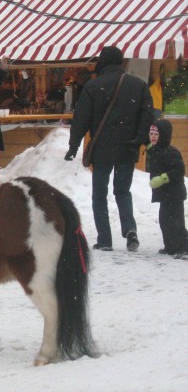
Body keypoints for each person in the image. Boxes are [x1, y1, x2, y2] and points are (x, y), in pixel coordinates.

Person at [64, 46, 154, 252]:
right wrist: (139, 139)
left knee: (99, 194)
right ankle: (130, 230)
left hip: (102, 147)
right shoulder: (138, 85)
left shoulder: (93, 86)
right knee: (123, 191)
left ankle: (104, 239)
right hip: (127, 148)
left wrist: (73, 145)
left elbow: (81, 119)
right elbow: (147, 115)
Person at [147, 119, 188, 260]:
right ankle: (170, 246)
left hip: (174, 195)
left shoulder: (171, 152)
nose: (153, 136)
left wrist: (163, 178)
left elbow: (179, 170)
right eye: (151, 133)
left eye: (156, 134)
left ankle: (183, 248)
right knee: (164, 221)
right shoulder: (155, 150)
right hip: (165, 195)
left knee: (176, 223)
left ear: (163, 136)